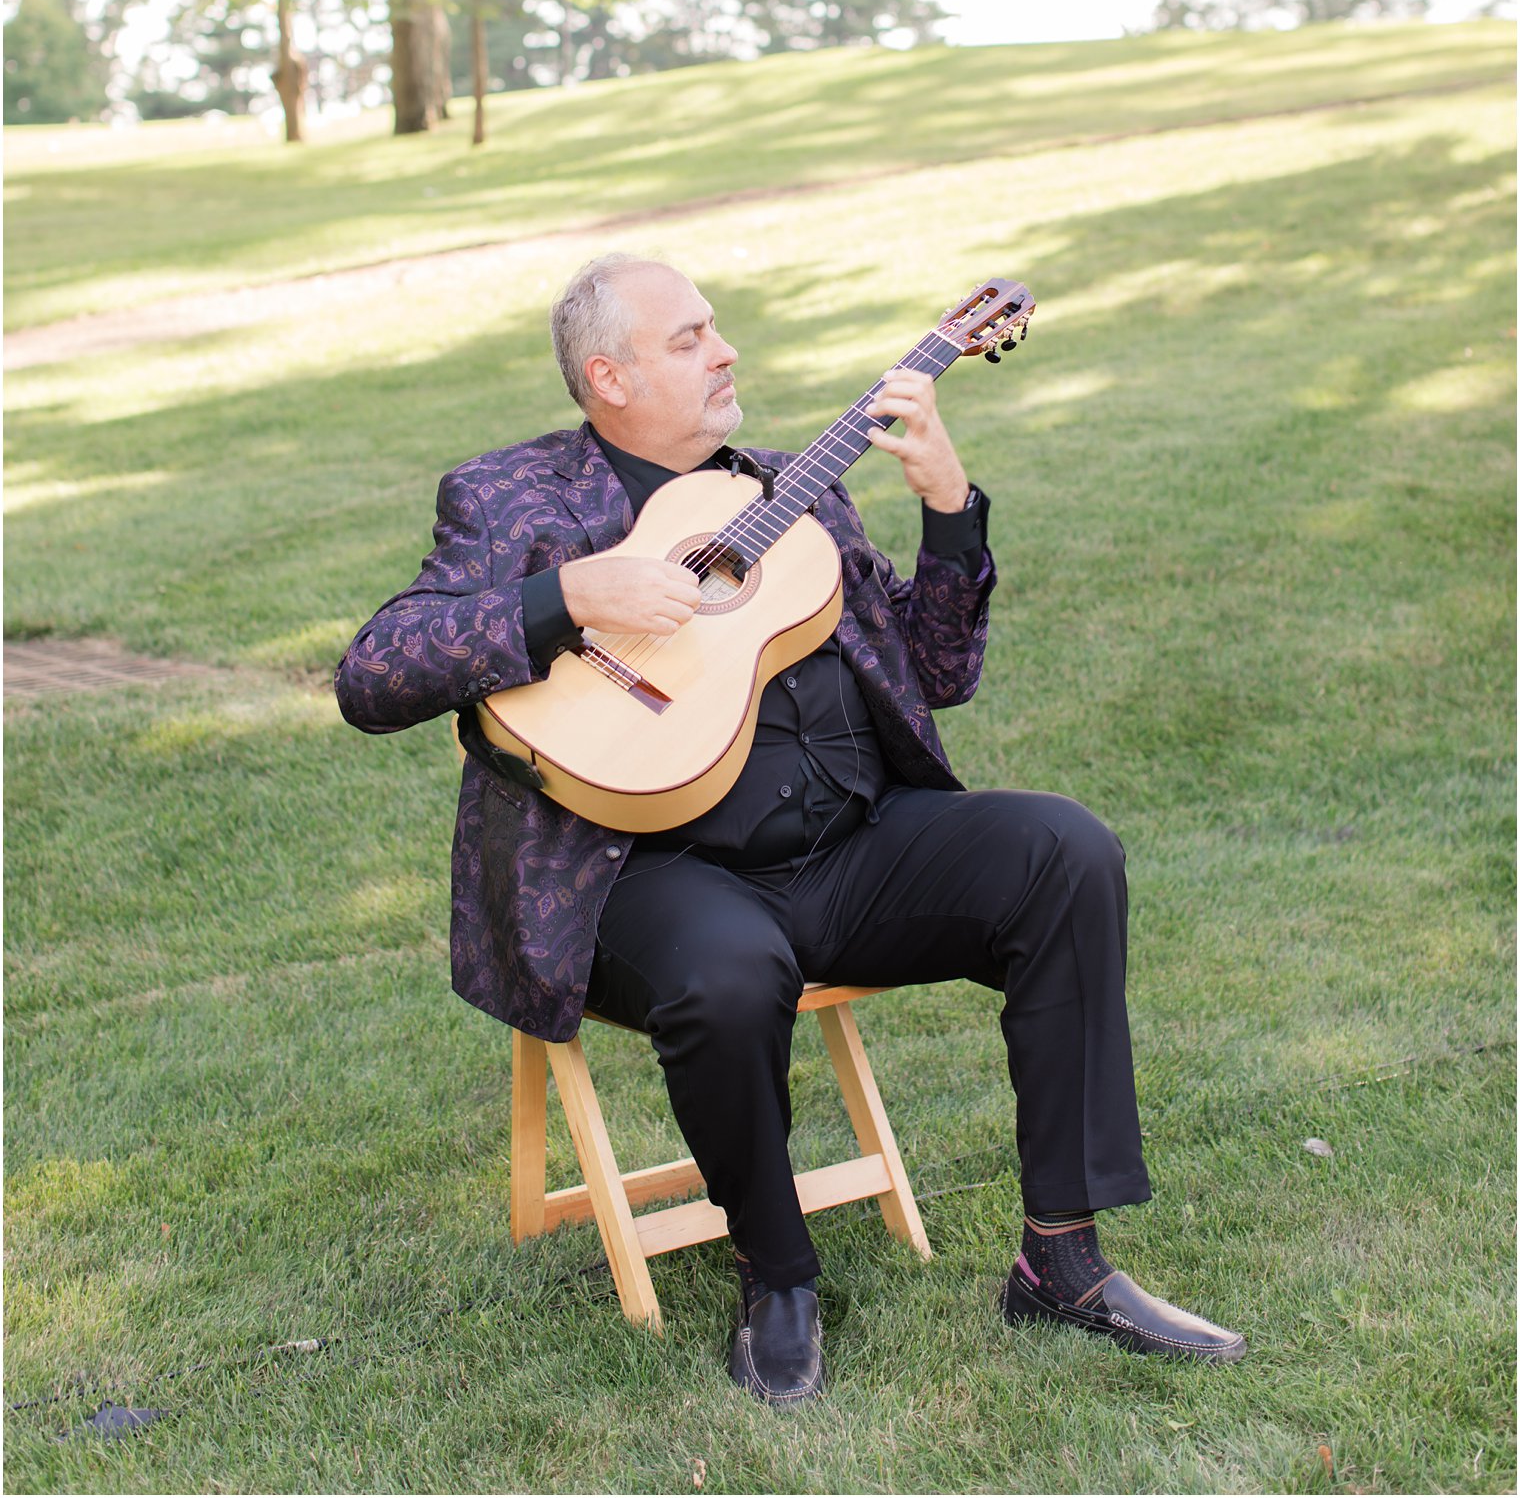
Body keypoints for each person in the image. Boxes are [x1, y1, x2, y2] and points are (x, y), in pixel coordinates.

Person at [335, 254, 1245, 1401]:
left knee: (1064, 852)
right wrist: (571, 597)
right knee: (727, 967)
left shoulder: (790, 486)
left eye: (717, 329)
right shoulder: (515, 498)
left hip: (852, 852)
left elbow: (934, 673)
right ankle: (777, 1278)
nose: (724, 352)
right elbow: (372, 676)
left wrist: (949, 514)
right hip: (649, 877)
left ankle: (1060, 1260)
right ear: (606, 377)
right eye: (688, 340)